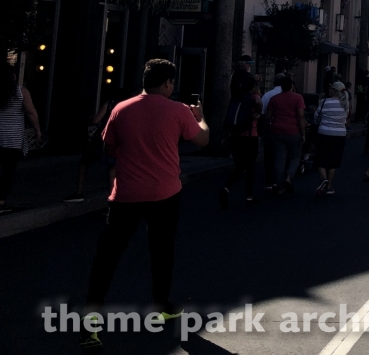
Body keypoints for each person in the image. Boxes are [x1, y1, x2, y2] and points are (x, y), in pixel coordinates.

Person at [81, 60, 209, 350]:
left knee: (107, 258)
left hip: (126, 193)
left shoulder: (121, 109)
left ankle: (90, 326)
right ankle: (162, 305)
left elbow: (109, 148)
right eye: (171, 83)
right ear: (166, 83)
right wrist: (200, 117)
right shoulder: (178, 110)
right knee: (162, 251)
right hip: (165, 193)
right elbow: (202, 140)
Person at [0, 62, 43, 215]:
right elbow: (31, 113)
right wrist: (37, 130)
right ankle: (1, 201)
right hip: (13, 138)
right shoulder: (20, 92)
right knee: (8, 171)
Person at [219, 73, 262, 207]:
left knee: (239, 165)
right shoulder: (254, 98)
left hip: (234, 136)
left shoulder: (235, 99)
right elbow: (260, 108)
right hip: (250, 136)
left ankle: (227, 188)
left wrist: (225, 136)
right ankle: (249, 196)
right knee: (250, 167)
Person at [64, 96, 118, 203]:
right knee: (112, 170)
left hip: (104, 140)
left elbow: (96, 120)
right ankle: (113, 200)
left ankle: (79, 192)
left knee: (84, 162)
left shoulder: (110, 104)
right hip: (119, 142)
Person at [265, 76, 306, 195]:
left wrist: (266, 130)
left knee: (279, 158)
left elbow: (268, 117)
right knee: (295, 156)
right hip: (293, 131)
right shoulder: (298, 98)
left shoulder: (274, 99)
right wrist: (303, 133)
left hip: (276, 130)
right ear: (292, 86)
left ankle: (279, 186)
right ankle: (289, 176)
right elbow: (300, 116)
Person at [314, 81, 352, 196]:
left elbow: (316, 117)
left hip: (324, 133)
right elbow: (346, 121)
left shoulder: (325, 102)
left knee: (320, 158)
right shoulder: (346, 104)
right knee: (333, 161)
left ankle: (323, 180)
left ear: (334, 90)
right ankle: (329, 185)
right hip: (340, 135)